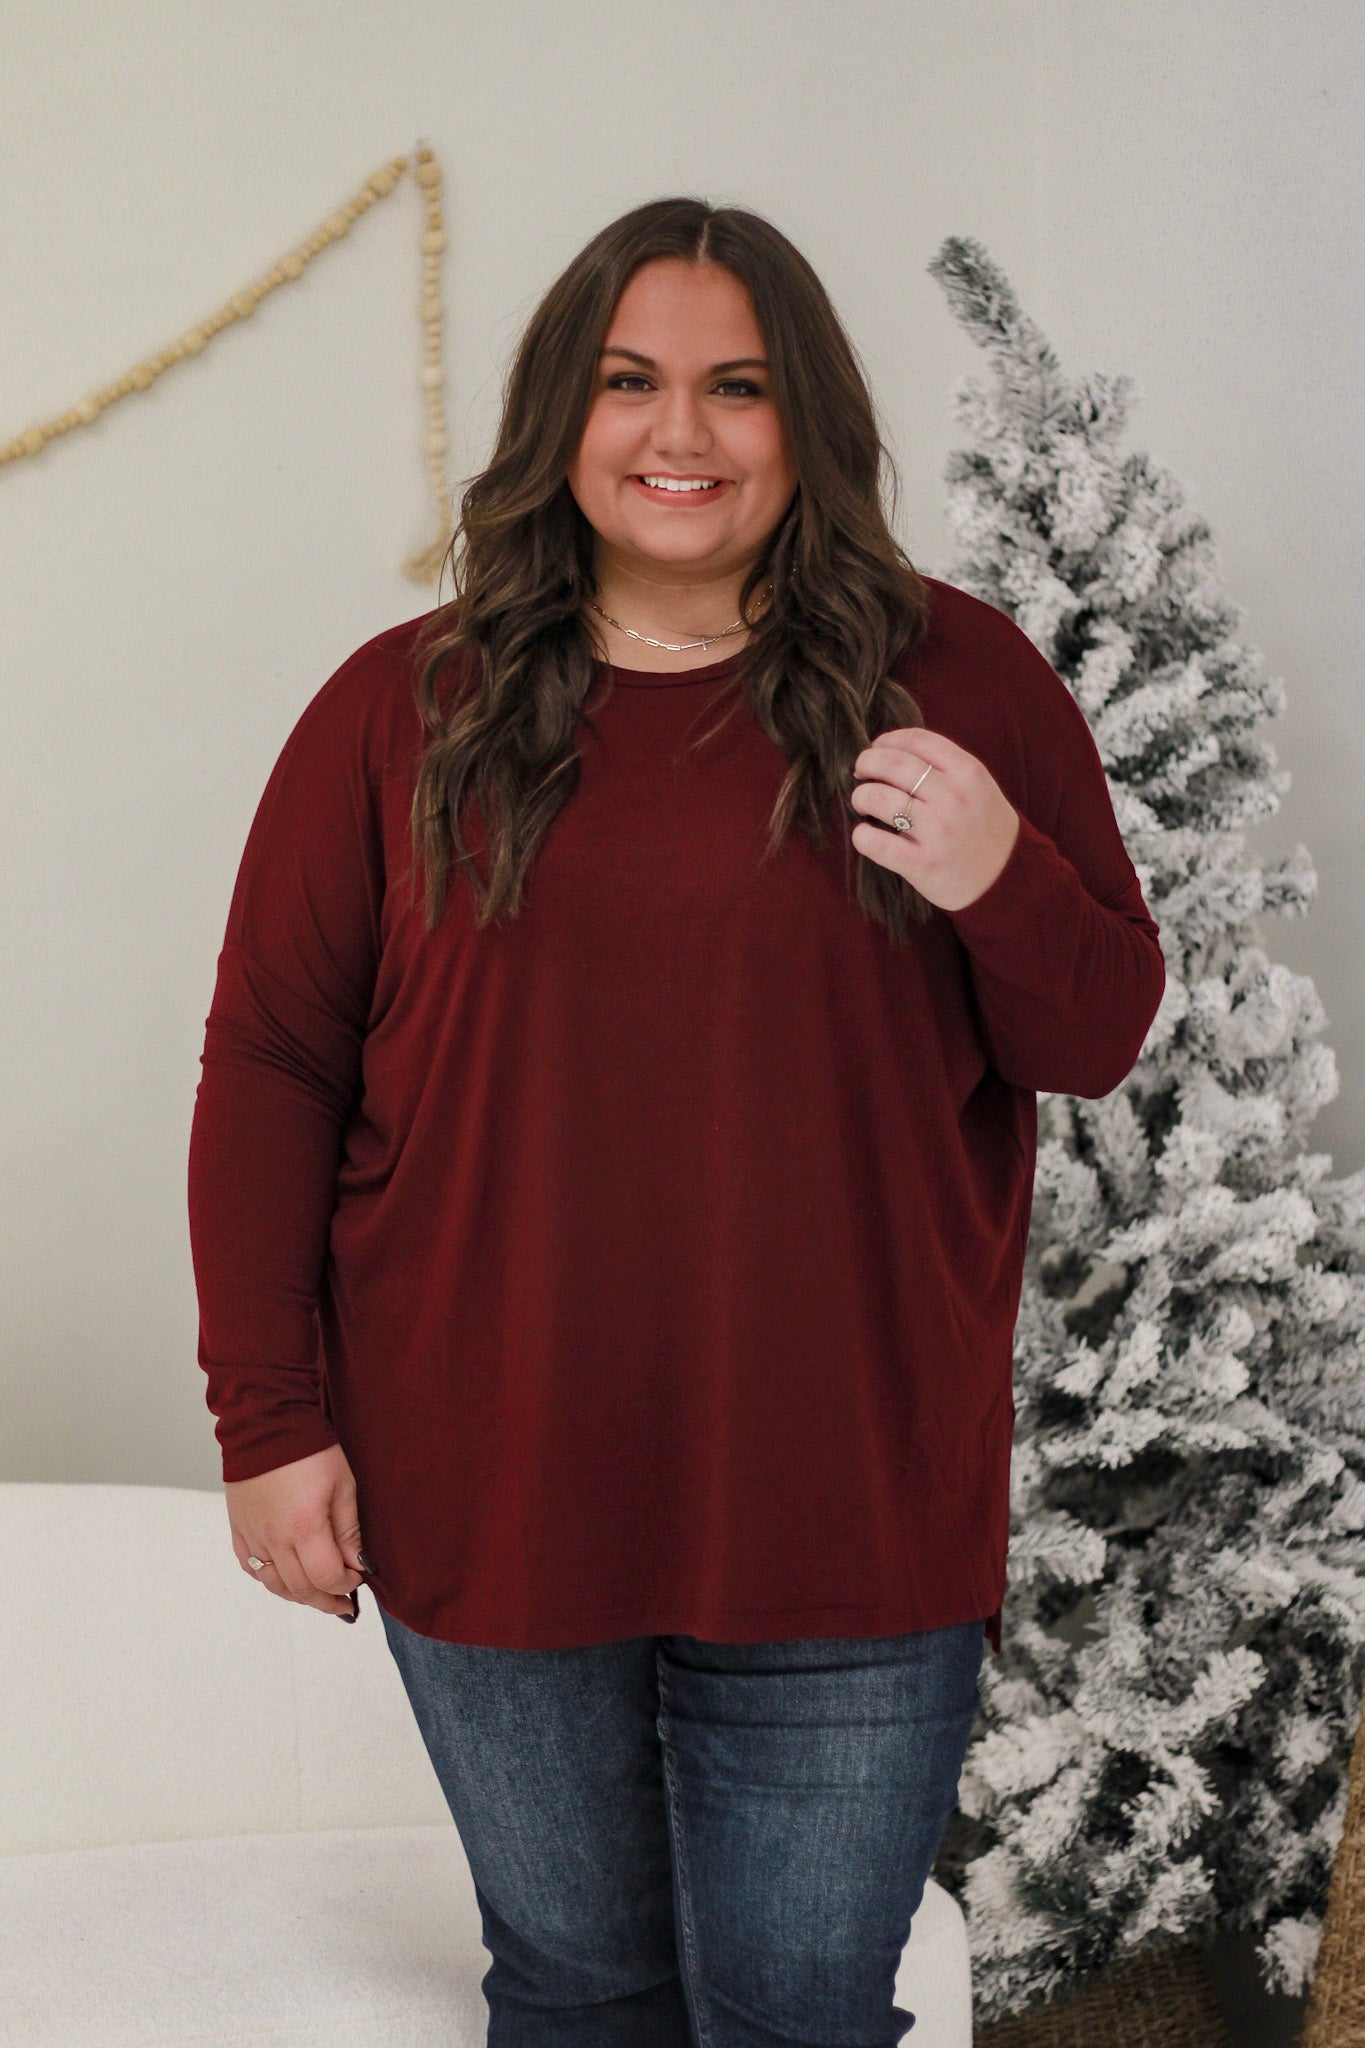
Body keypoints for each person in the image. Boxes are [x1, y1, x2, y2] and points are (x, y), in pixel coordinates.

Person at [188, 197, 1165, 2047]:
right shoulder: (400, 711)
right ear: (563, 414)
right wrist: (270, 1418)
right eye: (630, 382)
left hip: (849, 1498)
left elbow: (1094, 1035)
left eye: (738, 387)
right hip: (487, 1475)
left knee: (801, 2014)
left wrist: (998, 874)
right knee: (579, 1991)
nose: (681, 435)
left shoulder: (961, 683)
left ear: (808, 420)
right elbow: (272, 1071)